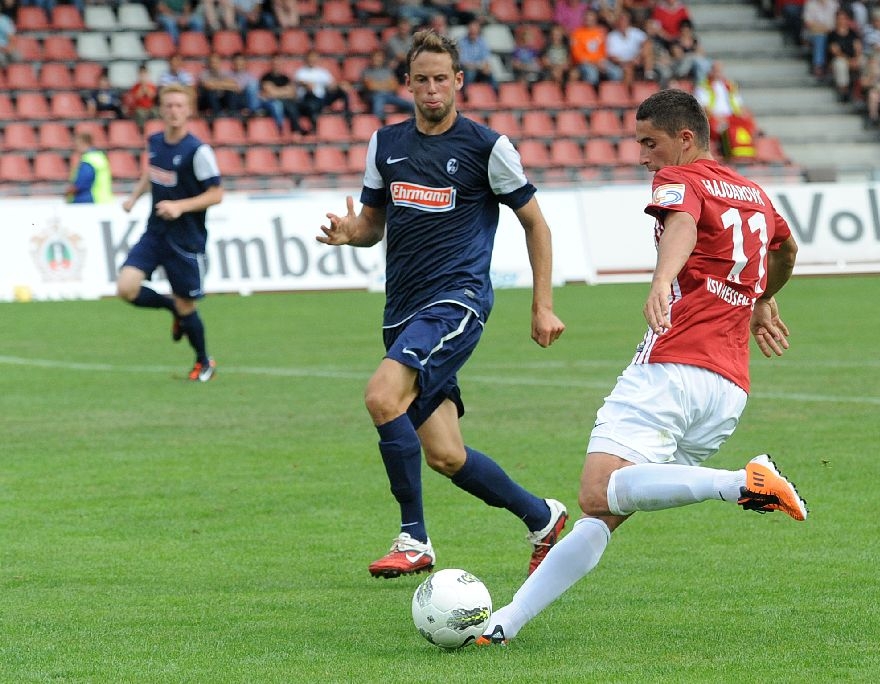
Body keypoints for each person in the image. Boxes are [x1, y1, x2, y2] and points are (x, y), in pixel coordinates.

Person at [476, 88, 807, 646]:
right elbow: (788, 252)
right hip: (727, 391)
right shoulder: (754, 192)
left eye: (650, 143)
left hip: (673, 366)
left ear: (685, 137)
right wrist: (760, 298)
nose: (643, 156)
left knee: (596, 491)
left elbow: (680, 222)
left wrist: (660, 279)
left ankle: (740, 482)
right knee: (604, 513)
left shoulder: (686, 178)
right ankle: (502, 625)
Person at [315, 30, 569, 579]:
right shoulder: (385, 144)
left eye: (441, 79)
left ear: (459, 82)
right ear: (407, 84)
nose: (432, 89)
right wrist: (348, 232)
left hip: (457, 301)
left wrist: (541, 305)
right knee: (446, 455)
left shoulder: (487, 147)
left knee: (382, 398)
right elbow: (372, 226)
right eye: (421, 79)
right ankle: (542, 518)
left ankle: (414, 539)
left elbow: (535, 224)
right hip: (402, 310)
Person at [118, 84, 224, 383]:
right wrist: (134, 197)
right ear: (161, 110)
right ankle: (172, 310)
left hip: (186, 239)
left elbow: (216, 194)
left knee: (187, 304)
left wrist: (180, 206)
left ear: (188, 109)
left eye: (180, 105)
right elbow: (150, 173)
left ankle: (204, 361)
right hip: (155, 232)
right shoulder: (154, 141)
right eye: (169, 106)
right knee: (126, 288)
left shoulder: (198, 151)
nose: (174, 111)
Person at [295, 48, 353, 133]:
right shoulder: (301, 72)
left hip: (322, 98)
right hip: (308, 100)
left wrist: (341, 86)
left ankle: (347, 115)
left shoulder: (322, 72)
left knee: (342, 91)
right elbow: (300, 82)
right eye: (310, 57)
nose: (312, 60)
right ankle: (314, 125)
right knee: (310, 98)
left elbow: (331, 85)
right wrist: (307, 85)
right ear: (306, 59)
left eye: (314, 57)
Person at [360, 48, 415, 121]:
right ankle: (379, 125)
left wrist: (378, 84)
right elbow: (371, 87)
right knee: (378, 104)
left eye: (380, 57)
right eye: (376, 57)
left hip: (389, 96)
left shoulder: (387, 70)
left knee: (412, 105)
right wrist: (386, 84)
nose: (378, 59)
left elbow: (395, 86)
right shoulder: (366, 71)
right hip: (374, 96)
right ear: (371, 58)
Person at [259, 55, 305, 136]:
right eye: (275, 63)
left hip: (286, 101)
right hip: (272, 102)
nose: (277, 65)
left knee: (294, 104)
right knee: (281, 105)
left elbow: (292, 93)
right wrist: (285, 91)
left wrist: (276, 91)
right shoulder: (266, 77)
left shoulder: (285, 78)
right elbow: (270, 93)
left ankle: (296, 130)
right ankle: (286, 130)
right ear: (271, 63)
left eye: (279, 63)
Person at [66, 130, 113, 204]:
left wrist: (68, 193)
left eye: (77, 145)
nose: (76, 148)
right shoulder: (100, 157)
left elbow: (81, 184)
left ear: (83, 143)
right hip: (103, 200)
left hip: (89, 202)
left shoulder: (88, 160)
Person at [124, 63, 159, 128]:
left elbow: (153, 97)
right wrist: (142, 89)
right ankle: (141, 130)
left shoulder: (152, 86)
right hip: (140, 108)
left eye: (145, 74)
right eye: (141, 74)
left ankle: (155, 128)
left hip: (150, 108)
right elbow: (135, 98)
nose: (143, 76)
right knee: (139, 113)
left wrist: (147, 89)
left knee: (156, 111)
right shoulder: (135, 86)